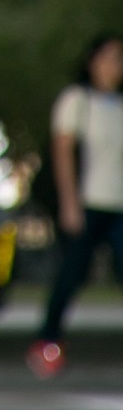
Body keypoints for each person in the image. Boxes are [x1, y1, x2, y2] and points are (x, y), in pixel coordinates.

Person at [29, 33, 123, 377]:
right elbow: (63, 152)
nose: (117, 65)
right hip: (86, 203)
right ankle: (48, 341)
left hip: (118, 206)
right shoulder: (77, 101)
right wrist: (70, 202)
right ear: (93, 61)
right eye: (111, 57)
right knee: (72, 274)